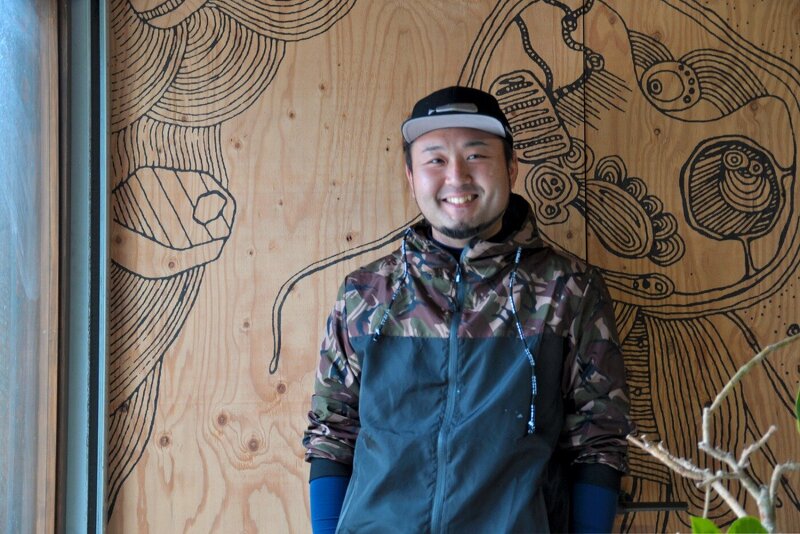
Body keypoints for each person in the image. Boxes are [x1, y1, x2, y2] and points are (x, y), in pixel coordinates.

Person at [303, 86, 633, 533]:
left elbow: (599, 438)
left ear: (511, 167)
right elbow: (331, 433)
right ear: (411, 176)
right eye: (435, 160)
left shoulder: (566, 291)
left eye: (476, 155)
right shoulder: (366, 293)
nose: (456, 176)